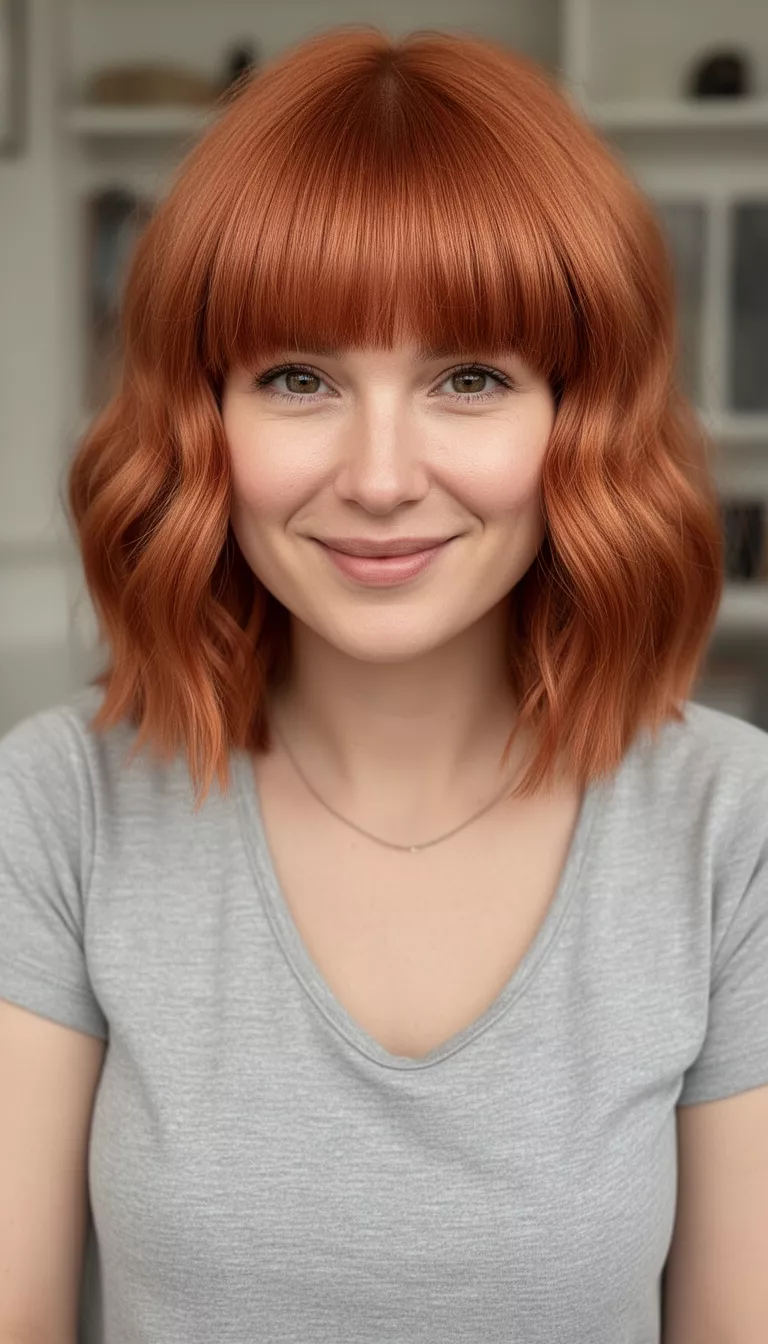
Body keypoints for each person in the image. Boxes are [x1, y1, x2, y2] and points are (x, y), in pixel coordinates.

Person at [1, 23, 767, 1344]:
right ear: (205, 420)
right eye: (298, 378)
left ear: (577, 422)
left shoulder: (729, 823)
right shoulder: (59, 805)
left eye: (470, 378)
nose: (378, 475)